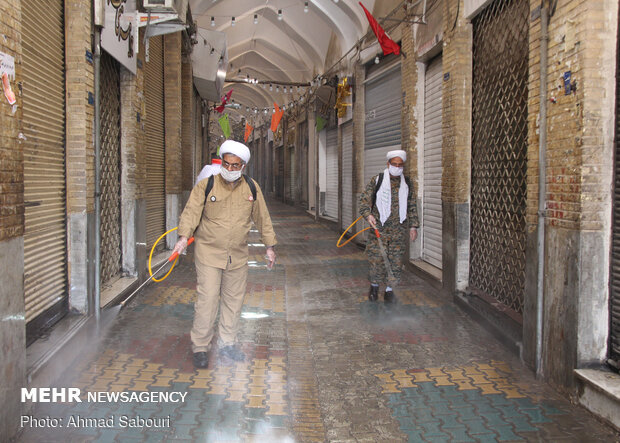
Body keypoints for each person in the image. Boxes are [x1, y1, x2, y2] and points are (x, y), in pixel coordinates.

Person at [173, 140, 277, 368]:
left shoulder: (251, 187)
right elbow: (191, 212)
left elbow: (262, 218)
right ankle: (201, 346)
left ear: (243, 166)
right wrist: (183, 238)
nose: (230, 169)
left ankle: (228, 344)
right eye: (227, 164)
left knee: (233, 301)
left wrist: (269, 246)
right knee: (207, 300)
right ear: (222, 162)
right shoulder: (206, 185)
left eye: (235, 166)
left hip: (237, 255)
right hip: (208, 252)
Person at [358, 150, 419, 303]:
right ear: (388, 164)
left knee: (396, 261)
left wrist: (413, 227)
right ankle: (374, 287)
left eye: (400, 165)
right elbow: (364, 202)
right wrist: (369, 215)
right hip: (379, 229)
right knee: (376, 260)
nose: (397, 167)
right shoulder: (377, 180)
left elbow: (411, 205)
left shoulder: (407, 183)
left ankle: (389, 290)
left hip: (398, 231)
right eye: (394, 164)